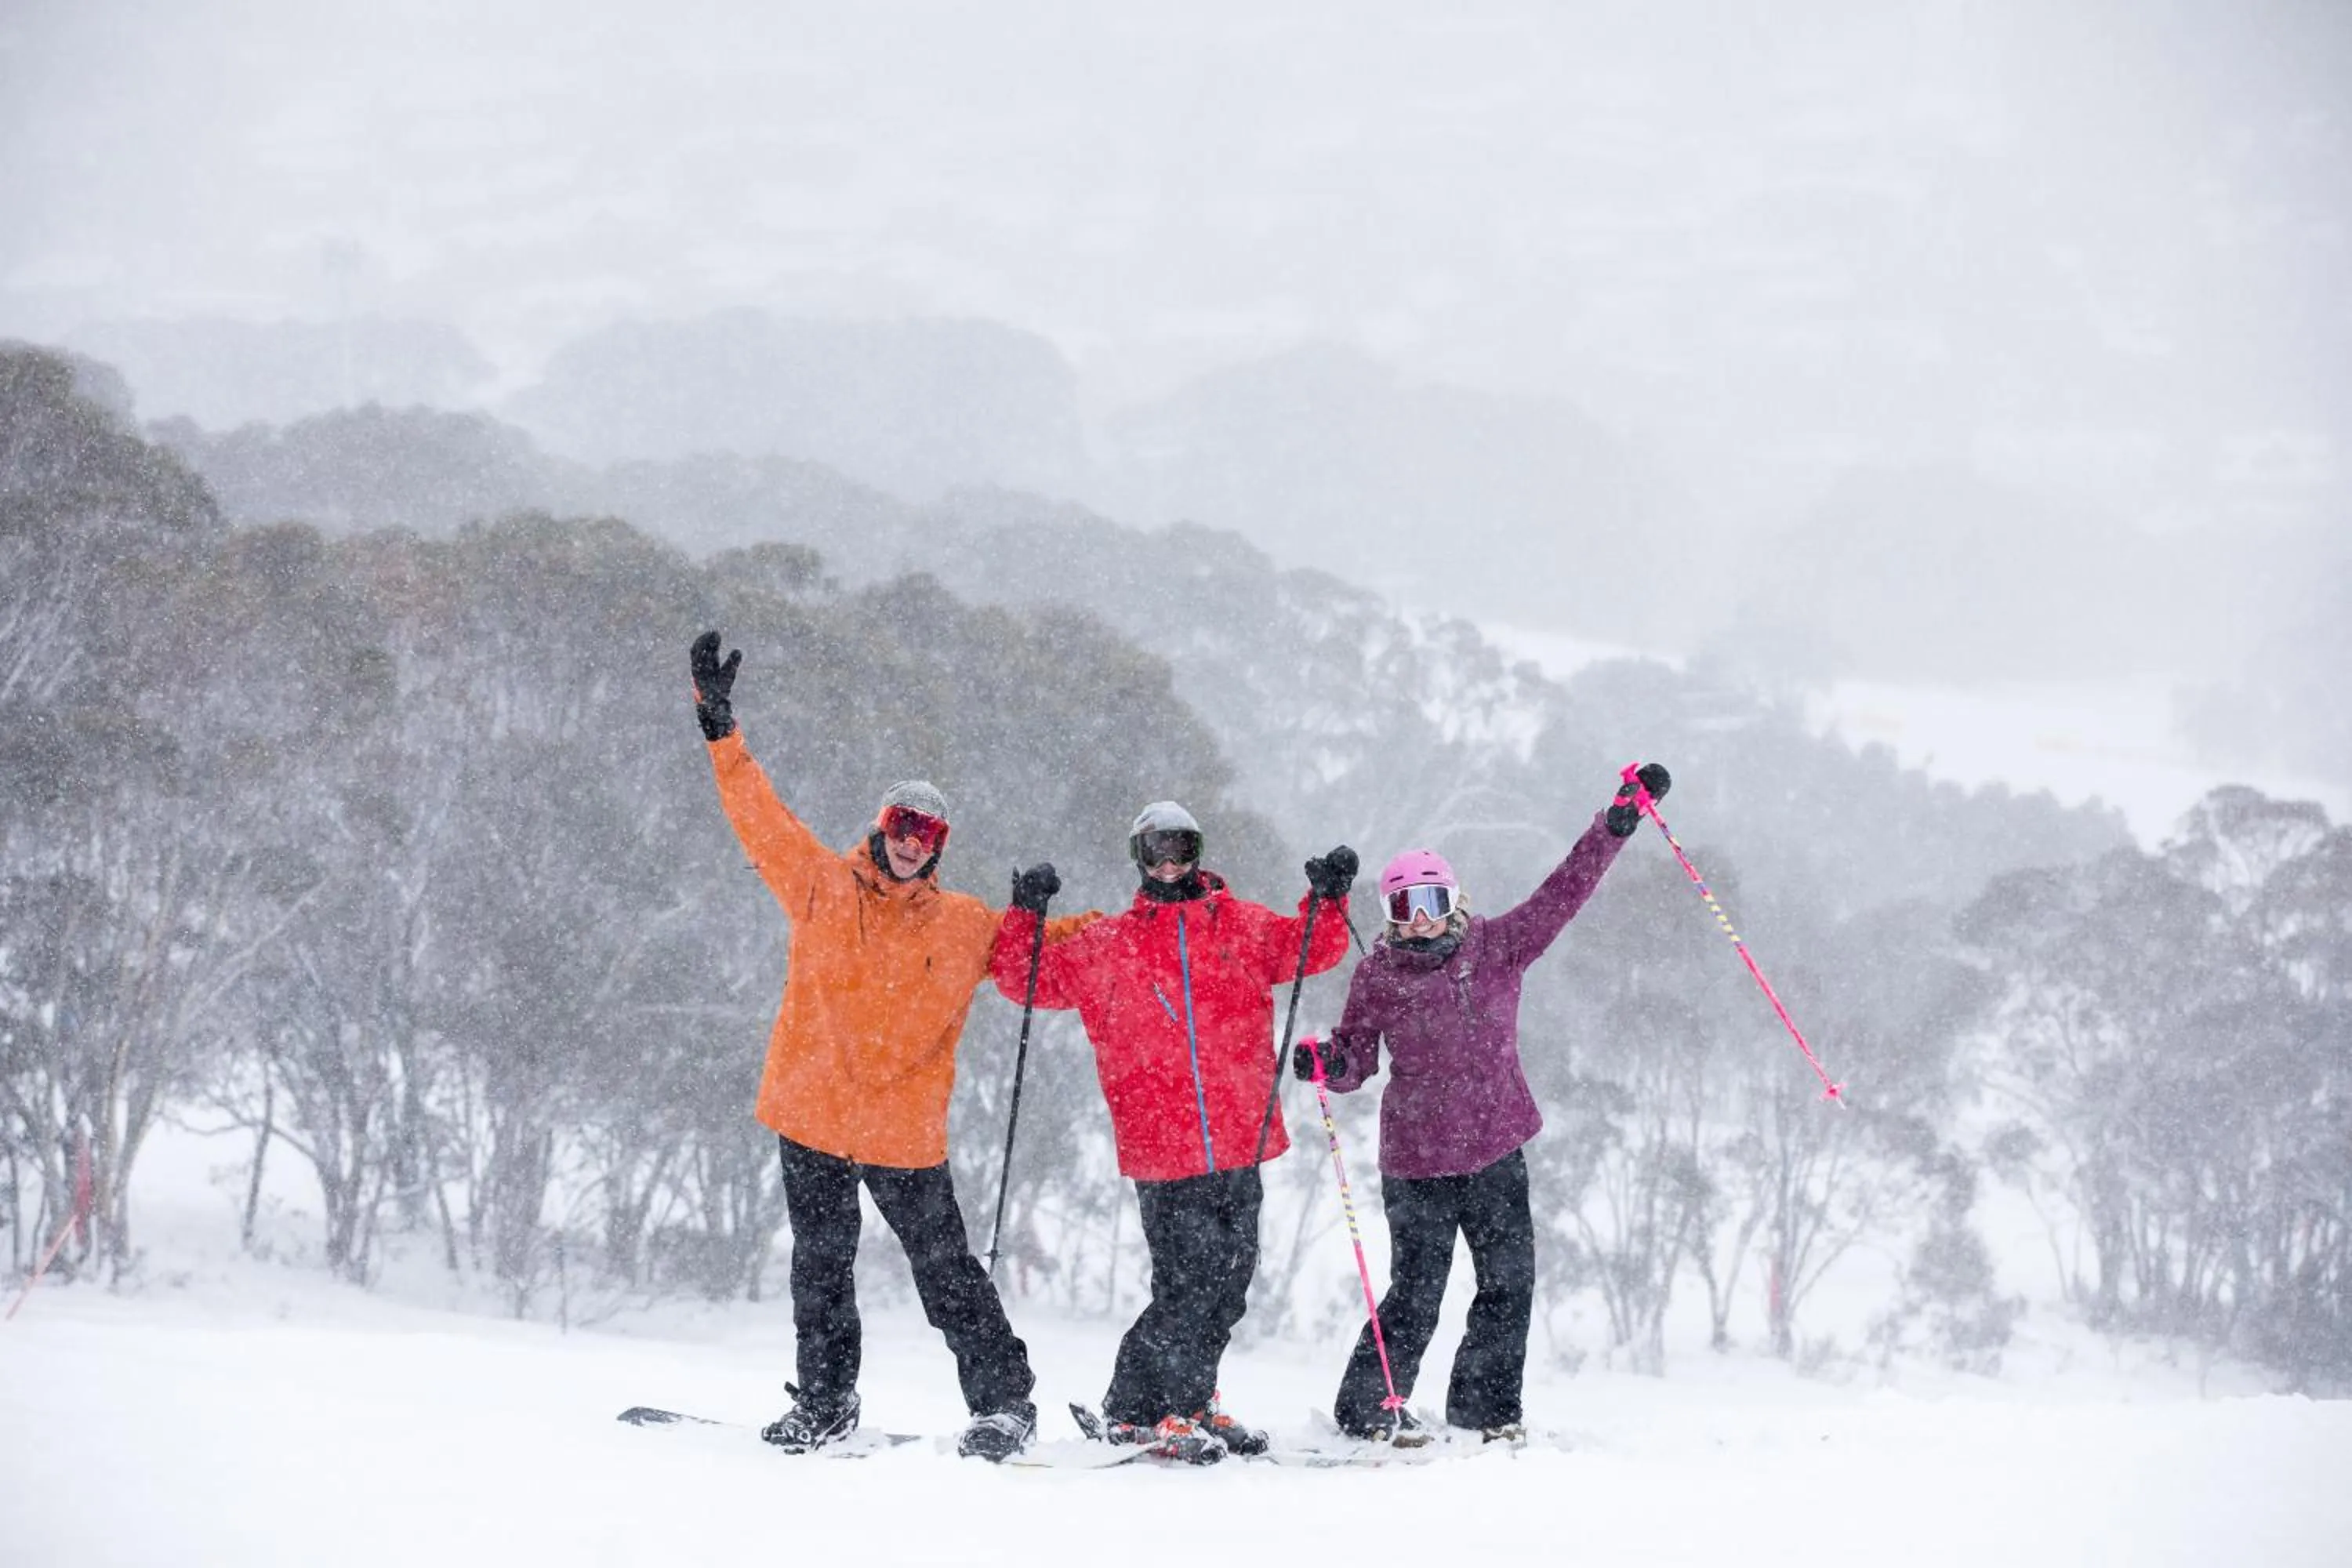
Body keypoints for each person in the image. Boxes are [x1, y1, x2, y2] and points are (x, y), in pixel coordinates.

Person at [688, 630, 1091, 1463]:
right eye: (902, 821)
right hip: (812, 1115)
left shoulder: (966, 922)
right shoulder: (820, 886)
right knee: (821, 1273)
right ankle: (827, 1401)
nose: (912, 838)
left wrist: (1035, 911)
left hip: (904, 1130)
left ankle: (1005, 1403)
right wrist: (720, 728)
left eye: (928, 829)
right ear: (881, 825)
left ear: (940, 845)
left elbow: (1043, 962)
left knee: (947, 1274)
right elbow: (758, 816)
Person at [1298, 764, 1670, 1445]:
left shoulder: (1498, 947)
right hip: (1417, 1162)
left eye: (1431, 903)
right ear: (1388, 917)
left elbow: (1565, 891)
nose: (1419, 921)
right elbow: (1357, 1057)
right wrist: (1329, 1063)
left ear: (1454, 901)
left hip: (1497, 1150)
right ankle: (1367, 1408)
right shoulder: (1378, 973)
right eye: (1404, 910)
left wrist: (1617, 822)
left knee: (1508, 1285)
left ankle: (1485, 1414)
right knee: (1417, 1293)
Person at [994, 802, 1356, 1463]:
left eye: (1181, 847)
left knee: (1230, 1285)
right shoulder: (1111, 944)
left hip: (1240, 1141)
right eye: (1156, 849)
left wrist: (1328, 897)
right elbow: (1022, 978)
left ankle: (1183, 1402)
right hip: (1162, 1147)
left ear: (1197, 850)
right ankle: (1147, 1409)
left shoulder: (1241, 926)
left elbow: (1314, 947)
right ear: (1138, 857)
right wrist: (1025, 913)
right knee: (1188, 1286)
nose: (1169, 862)